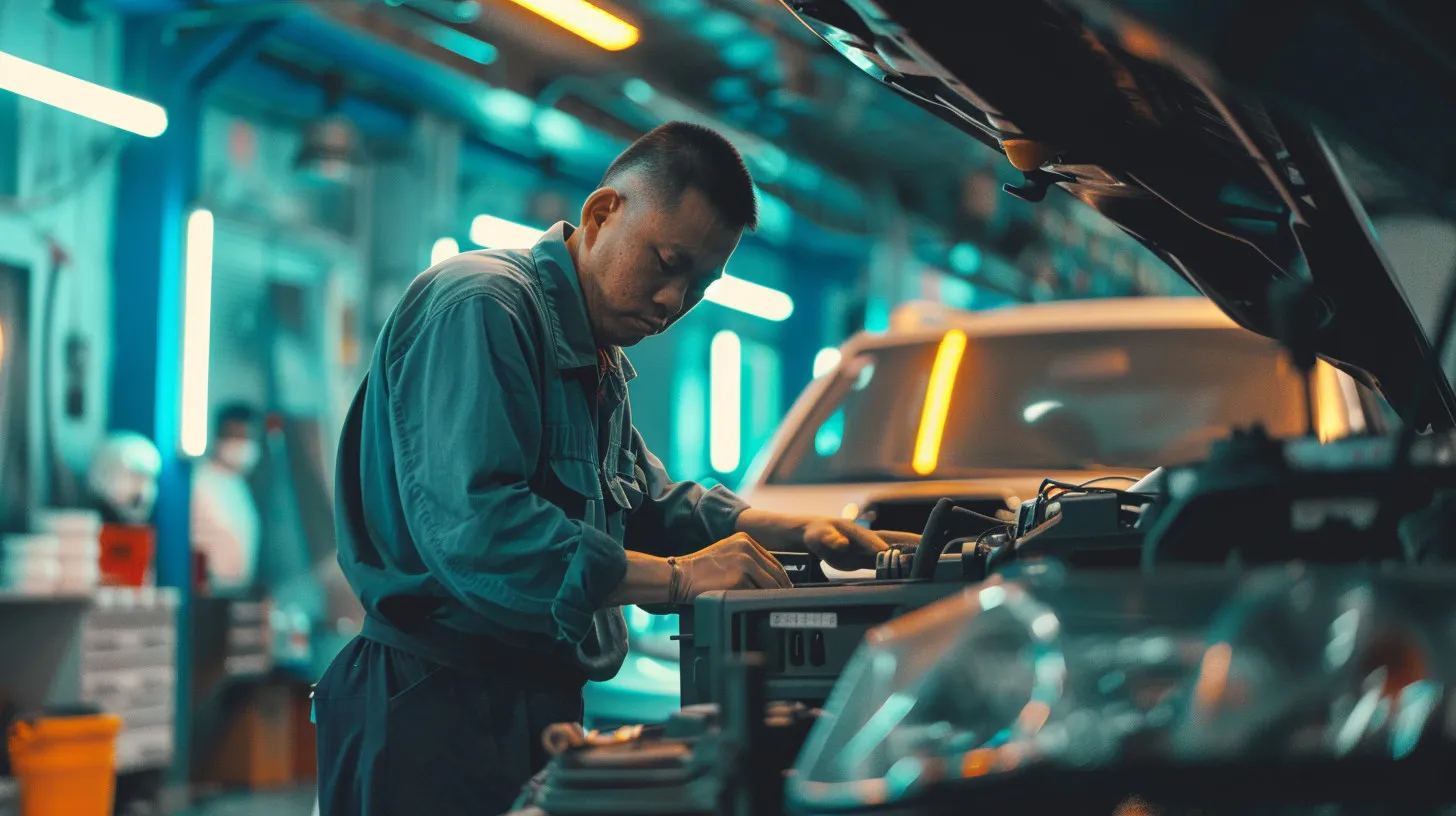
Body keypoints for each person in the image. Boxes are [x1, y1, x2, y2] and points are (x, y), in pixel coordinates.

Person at [314, 121, 917, 815]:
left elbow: (650, 502)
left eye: (699, 284)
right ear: (603, 214)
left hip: (528, 703)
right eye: (666, 262)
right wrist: (681, 579)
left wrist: (802, 533)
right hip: (431, 708)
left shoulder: (595, 358)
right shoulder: (482, 306)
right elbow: (480, 531)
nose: (674, 302)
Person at [190, 403, 262, 593]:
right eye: (235, 435)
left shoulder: (238, 484)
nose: (241, 443)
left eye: (247, 436)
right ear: (218, 436)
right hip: (208, 593)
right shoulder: (200, 480)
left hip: (236, 591)